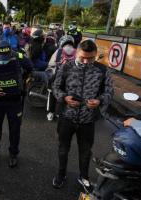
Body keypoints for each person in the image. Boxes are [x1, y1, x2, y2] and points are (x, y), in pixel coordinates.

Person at [52, 39, 114, 190]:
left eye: (91, 58)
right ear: (76, 53)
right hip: (66, 117)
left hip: (87, 120)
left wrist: (99, 101)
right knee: (63, 149)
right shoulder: (66, 67)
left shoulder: (103, 70)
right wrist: (64, 98)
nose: (86, 62)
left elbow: (109, 92)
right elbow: (55, 87)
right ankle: (61, 174)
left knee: (86, 152)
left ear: (96, 55)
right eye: (82, 58)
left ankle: (84, 177)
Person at [0, 40, 32, 168]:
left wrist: (26, 81)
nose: (3, 60)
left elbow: (30, 69)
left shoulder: (19, 58)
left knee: (15, 130)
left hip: (14, 101)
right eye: (1, 58)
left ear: (11, 52)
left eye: (6, 58)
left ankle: (13, 154)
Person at [46, 35, 76, 121]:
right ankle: (60, 113)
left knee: (52, 93)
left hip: (57, 78)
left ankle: (50, 113)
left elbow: (51, 64)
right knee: (67, 95)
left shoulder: (58, 51)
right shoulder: (76, 52)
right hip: (72, 79)